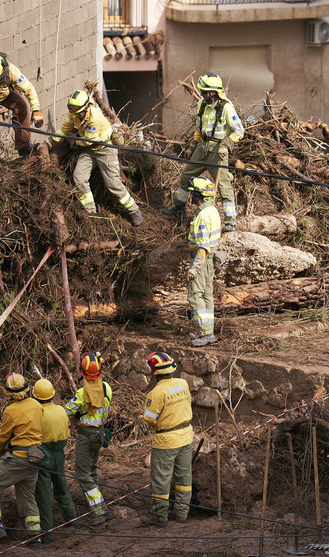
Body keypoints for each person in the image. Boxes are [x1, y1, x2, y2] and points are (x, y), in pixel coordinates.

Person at [161, 73, 244, 231]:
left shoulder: (226, 107)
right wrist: (193, 145)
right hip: (202, 147)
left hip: (217, 151)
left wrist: (226, 143)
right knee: (186, 176)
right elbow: (199, 127)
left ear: (213, 93)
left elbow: (239, 130)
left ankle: (230, 223)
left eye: (204, 92)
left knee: (224, 186)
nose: (201, 94)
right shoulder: (202, 104)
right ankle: (178, 209)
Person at [48, 90, 144, 226]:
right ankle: (91, 212)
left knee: (113, 184)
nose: (75, 114)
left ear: (86, 107)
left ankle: (134, 211)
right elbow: (65, 128)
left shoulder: (95, 118)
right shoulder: (74, 112)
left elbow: (87, 141)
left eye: (78, 111)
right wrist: (52, 141)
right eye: (73, 111)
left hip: (105, 149)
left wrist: (72, 141)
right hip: (90, 149)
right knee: (79, 177)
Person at [0, 372, 44, 547]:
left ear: (7, 392)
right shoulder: (37, 405)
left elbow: (3, 437)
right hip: (34, 459)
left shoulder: (10, 411)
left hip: (17, 458)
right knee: (28, 497)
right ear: (27, 388)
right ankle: (35, 537)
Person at [140, 351, 194, 527]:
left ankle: (159, 516)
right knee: (184, 478)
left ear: (154, 371)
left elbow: (149, 419)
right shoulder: (183, 383)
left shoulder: (156, 393)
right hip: (186, 437)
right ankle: (182, 513)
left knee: (161, 480)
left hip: (166, 441)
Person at [65, 351, 114, 526]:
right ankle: (100, 505)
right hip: (100, 434)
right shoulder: (107, 387)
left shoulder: (81, 394)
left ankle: (100, 511)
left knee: (83, 474)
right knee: (92, 471)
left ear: (82, 373)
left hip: (86, 437)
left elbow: (66, 412)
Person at [32, 378, 79, 542]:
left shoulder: (37, 412)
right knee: (62, 487)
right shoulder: (61, 409)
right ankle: (73, 521)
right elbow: (68, 427)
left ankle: (47, 534)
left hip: (43, 455)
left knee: (43, 496)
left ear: (35, 396)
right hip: (59, 453)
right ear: (52, 394)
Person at [186, 176, 221, 347]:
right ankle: (208, 331)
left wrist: (194, 268)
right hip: (211, 259)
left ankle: (205, 333)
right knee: (207, 295)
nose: (190, 196)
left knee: (195, 296)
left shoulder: (202, 216)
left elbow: (203, 246)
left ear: (197, 195)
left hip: (203, 258)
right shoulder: (213, 210)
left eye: (192, 193)